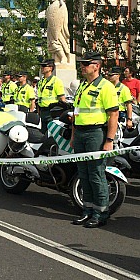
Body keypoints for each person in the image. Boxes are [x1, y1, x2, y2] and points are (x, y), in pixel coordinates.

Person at [71, 52, 119, 228]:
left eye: (86, 64)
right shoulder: (83, 85)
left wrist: (109, 140)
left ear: (96, 66)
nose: (82, 67)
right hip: (81, 134)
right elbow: (76, 113)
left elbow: (113, 114)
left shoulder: (106, 86)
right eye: (82, 64)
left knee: (96, 174)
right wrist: (73, 136)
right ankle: (88, 209)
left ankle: (101, 212)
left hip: (95, 133)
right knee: (83, 173)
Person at [36, 58, 66, 134]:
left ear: (50, 68)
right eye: (41, 66)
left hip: (51, 112)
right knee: (43, 133)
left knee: (51, 134)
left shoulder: (56, 81)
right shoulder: (41, 82)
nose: (42, 68)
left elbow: (62, 99)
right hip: (42, 111)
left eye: (44, 66)